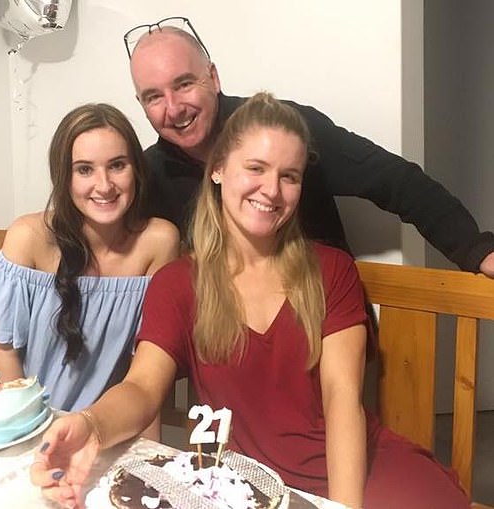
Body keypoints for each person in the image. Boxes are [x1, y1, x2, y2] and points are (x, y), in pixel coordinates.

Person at [29, 93, 470, 509]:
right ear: (218, 168)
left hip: (354, 470)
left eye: (289, 176)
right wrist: (91, 425)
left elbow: (342, 399)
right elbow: (143, 386)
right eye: (255, 168)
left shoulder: (331, 270)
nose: (271, 191)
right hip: (248, 484)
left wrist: (341, 507)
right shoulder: (179, 282)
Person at [123, 17, 494, 277]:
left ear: (213, 77)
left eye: (184, 84)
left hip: (324, 331)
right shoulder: (146, 176)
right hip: (225, 348)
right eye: (154, 96)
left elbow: (394, 180)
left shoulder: (287, 129)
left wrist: (476, 250)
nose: (173, 108)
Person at [0, 103, 180, 412]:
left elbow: (146, 371)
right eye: (84, 169)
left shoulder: (159, 243)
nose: (104, 185)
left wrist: (146, 454)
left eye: (117, 165)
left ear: (137, 169)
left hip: (102, 427)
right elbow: (5, 355)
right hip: (16, 416)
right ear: (64, 177)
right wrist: (29, 435)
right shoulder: (28, 237)